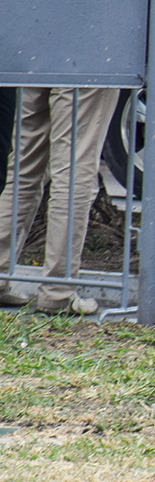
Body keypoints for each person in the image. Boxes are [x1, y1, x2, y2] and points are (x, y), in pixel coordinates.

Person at [0, 86, 117, 315]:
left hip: (34, 65)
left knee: (22, 166)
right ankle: (58, 291)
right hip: (87, 68)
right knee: (74, 168)